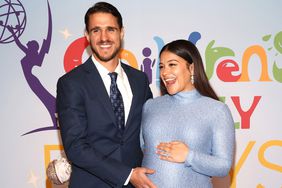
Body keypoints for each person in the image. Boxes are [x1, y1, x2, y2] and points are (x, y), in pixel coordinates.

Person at [56, 2, 156, 187]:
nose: (104, 37)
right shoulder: (71, 83)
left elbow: (152, 130)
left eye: (110, 29)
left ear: (121, 32)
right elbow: (76, 147)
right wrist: (127, 174)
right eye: (96, 30)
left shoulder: (139, 80)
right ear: (87, 35)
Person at [140, 39, 235, 187]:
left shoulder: (217, 110)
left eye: (172, 64)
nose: (165, 72)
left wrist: (189, 156)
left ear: (191, 68)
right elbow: (141, 151)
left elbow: (223, 166)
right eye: (161, 66)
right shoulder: (150, 106)